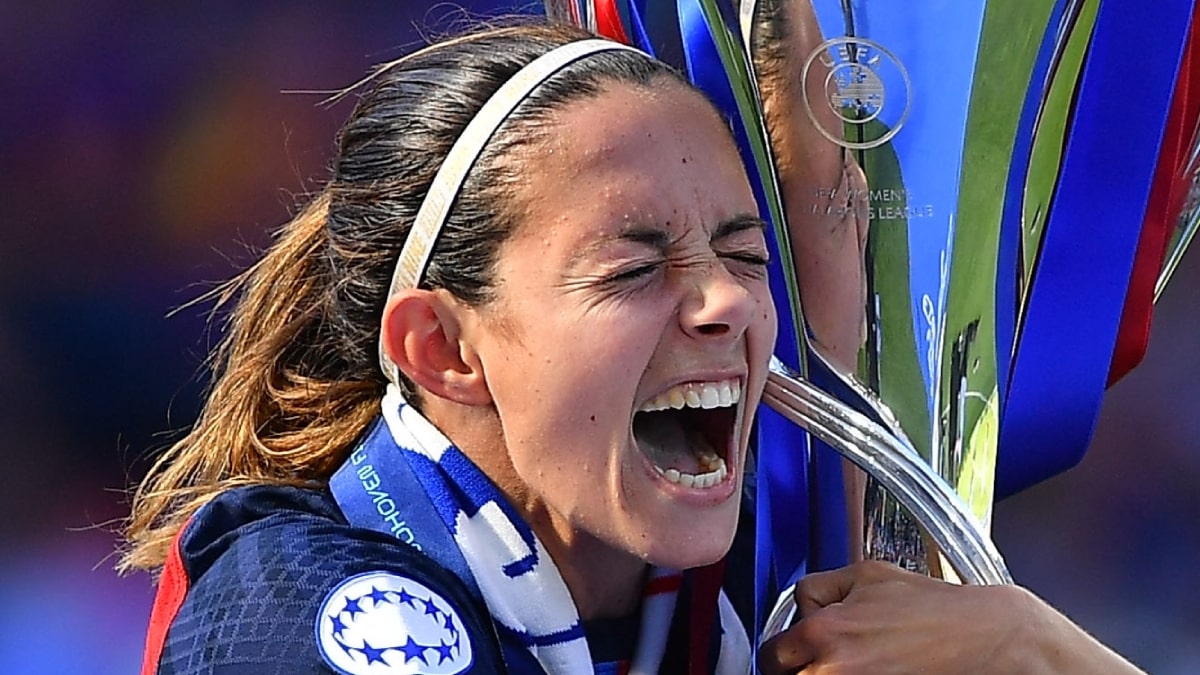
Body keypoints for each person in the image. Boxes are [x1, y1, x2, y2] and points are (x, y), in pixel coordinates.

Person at [123, 20, 1147, 675]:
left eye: (744, 253)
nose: (725, 305)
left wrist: (1038, 647)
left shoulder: (751, 597)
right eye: (634, 267)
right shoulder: (305, 607)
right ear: (444, 348)